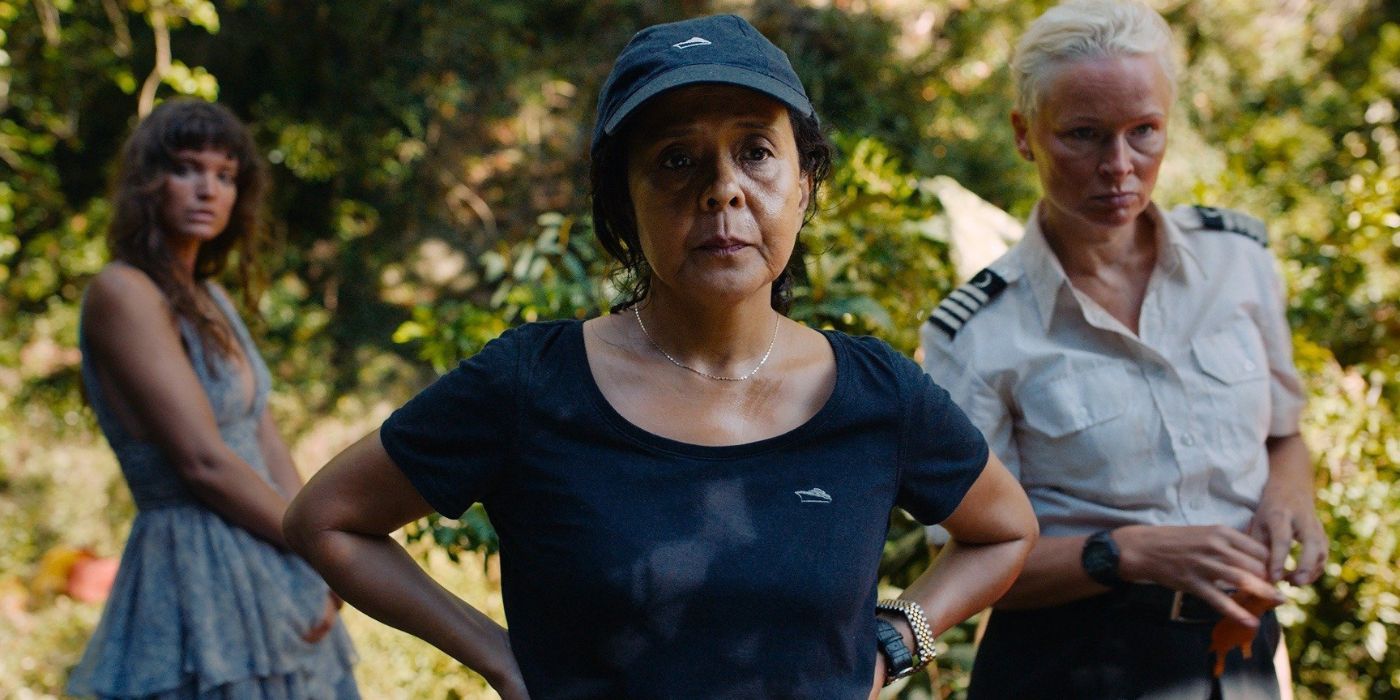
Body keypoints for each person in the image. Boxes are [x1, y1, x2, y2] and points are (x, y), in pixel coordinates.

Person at [284, 14, 1037, 699]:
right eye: (677, 160)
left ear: (804, 185)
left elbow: (1004, 532)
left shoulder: (879, 394)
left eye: (756, 152)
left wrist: (897, 642)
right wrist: (496, 655)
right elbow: (328, 520)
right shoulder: (531, 384)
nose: (723, 190)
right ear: (622, 202)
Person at [919, 1, 1327, 698]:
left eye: (1145, 132)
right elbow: (966, 561)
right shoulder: (976, 333)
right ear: (1025, 135)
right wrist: (1125, 553)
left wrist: (1294, 499)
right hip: (1070, 665)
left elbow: (1283, 436)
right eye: (1084, 134)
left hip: (1240, 654)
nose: (1120, 166)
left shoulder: (1239, 262)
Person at [68, 99, 358, 699]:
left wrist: (317, 540)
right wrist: (313, 538)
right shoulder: (121, 292)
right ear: (148, 183)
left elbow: (261, 433)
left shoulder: (210, 296)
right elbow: (202, 461)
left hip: (269, 551)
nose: (208, 190)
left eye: (225, 175)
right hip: (193, 566)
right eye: (187, 169)